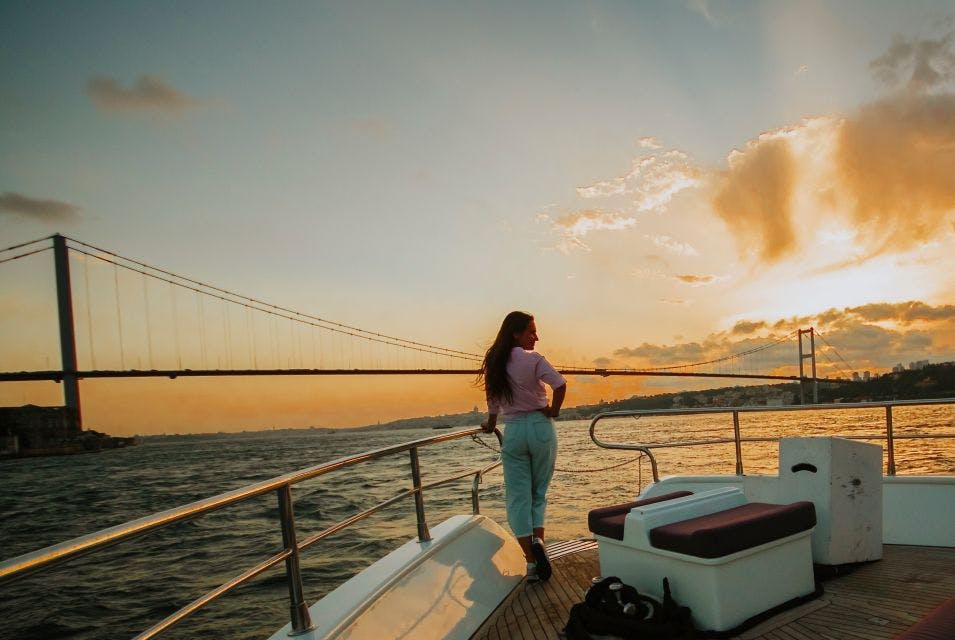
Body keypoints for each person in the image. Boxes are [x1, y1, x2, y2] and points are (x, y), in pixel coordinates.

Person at [479, 311, 567, 582]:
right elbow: (560, 384)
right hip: (540, 427)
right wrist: (553, 409)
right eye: (531, 331)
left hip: (514, 430)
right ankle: (540, 547)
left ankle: (530, 562)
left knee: (518, 497)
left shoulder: (494, 362)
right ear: (515, 333)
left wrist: (491, 422)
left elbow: (493, 400)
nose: (536, 337)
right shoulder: (534, 360)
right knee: (538, 493)